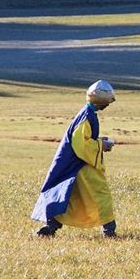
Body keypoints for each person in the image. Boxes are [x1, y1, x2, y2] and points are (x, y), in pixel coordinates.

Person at [31, 80, 117, 238]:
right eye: (107, 101)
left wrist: (98, 141)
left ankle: (52, 226)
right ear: (101, 100)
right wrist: (100, 145)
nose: (108, 105)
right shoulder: (87, 116)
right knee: (101, 193)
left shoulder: (87, 113)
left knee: (69, 194)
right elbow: (80, 144)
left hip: (73, 163)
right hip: (79, 163)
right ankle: (109, 230)